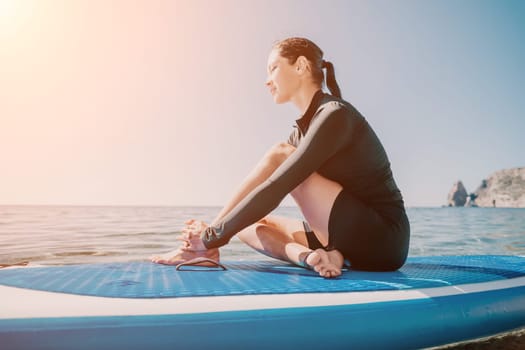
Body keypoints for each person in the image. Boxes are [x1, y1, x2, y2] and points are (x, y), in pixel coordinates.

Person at [151, 37, 410, 278]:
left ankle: (203, 247)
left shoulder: (335, 114)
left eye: (273, 68)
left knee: (279, 155)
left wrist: (210, 235)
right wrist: (219, 230)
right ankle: (311, 258)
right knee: (244, 223)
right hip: (345, 236)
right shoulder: (301, 132)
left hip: (383, 239)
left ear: (301, 66)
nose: (267, 80)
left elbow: (278, 186)